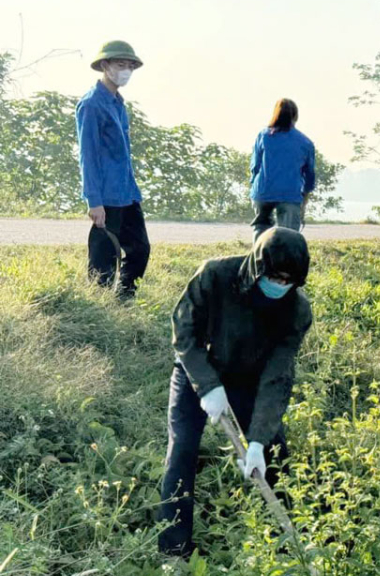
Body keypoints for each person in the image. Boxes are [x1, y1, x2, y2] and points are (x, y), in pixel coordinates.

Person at [158, 227, 313, 558]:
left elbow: (278, 376)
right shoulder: (215, 275)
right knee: (182, 449)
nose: (280, 284)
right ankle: (173, 551)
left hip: (249, 380)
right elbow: (184, 332)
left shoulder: (296, 311)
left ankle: (286, 543)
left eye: (289, 281)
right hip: (197, 369)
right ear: (259, 266)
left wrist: (256, 440)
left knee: (273, 453)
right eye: (275, 276)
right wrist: (207, 386)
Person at [76, 40, 150, 299]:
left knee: (140, 250)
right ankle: (98, 308)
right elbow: (88, 155)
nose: (126, 70)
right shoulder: (92, 104)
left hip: (127, 192)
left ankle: (123, 299)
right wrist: (94, 201)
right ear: (105, 65)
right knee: (103, 259)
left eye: (130, 66)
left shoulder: (118, 103)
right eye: (121, 65)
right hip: (106, 195)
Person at [249, 99, 317, 242]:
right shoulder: (305, 142)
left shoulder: (264, 136)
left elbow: (255, 166)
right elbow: (310, 175)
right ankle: (286, 263)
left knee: (261, 230)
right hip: (290, 194)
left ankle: (258, 261)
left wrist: (254, 186)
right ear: (295, 116)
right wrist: (305, 194)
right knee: (289, 237)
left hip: (262, 191)